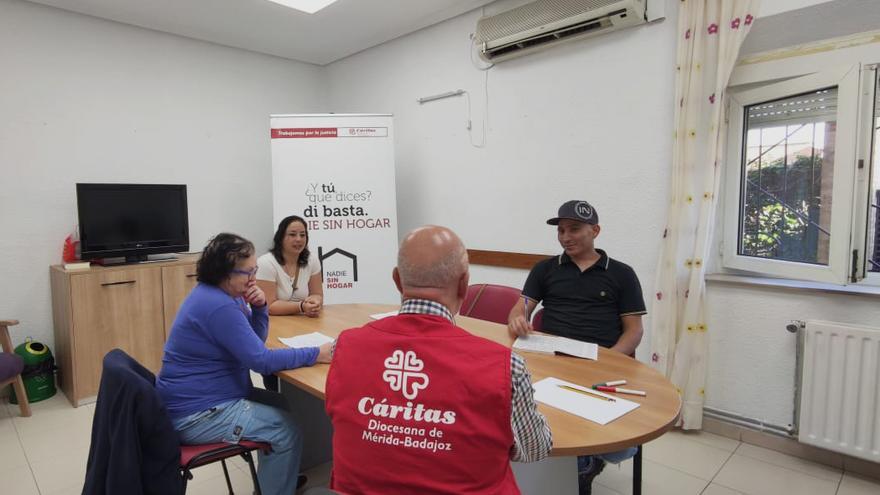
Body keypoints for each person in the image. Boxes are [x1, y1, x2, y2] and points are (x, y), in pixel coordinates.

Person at [325, 226, 552, 495]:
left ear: (397, 281)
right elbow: (535, 449)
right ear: (464, 284)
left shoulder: (344, 346)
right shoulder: (506, 366)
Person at [156, 233, 332, 495]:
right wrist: (316, 353)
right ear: (223, 272)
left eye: (255, 270)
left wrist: (260, 307)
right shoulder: (218, 305)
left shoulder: (226, 295)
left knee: (280, 403)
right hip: (196, 415)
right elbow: (260, 361)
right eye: (247, 272)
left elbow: (254, 343)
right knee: (285, 429)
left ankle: (277, 480)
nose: (253, 279)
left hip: (208, 398)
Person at [507, 200, 646, 495]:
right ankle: (548, 460)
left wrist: (607, 361)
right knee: (521, 403)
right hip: (549, 358)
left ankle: (583, 464)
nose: (565, 237)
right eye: (561, 231)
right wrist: (518, 319)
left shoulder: (622, 274)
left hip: (598, 361)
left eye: (574, 229)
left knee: (597, 432)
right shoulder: (545, 269)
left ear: (595, 230)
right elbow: (520, 310)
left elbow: (634, 331)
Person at [256, 215, 324, 318]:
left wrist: (315, 301)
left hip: (304, 320)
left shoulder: (312, 260)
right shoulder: (266, 263)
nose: (298, 239)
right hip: (273, 322)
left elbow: (317, 294)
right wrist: (301, 306)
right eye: (292, 235)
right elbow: (269, 306)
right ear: (281, 237)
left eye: (302, 235)